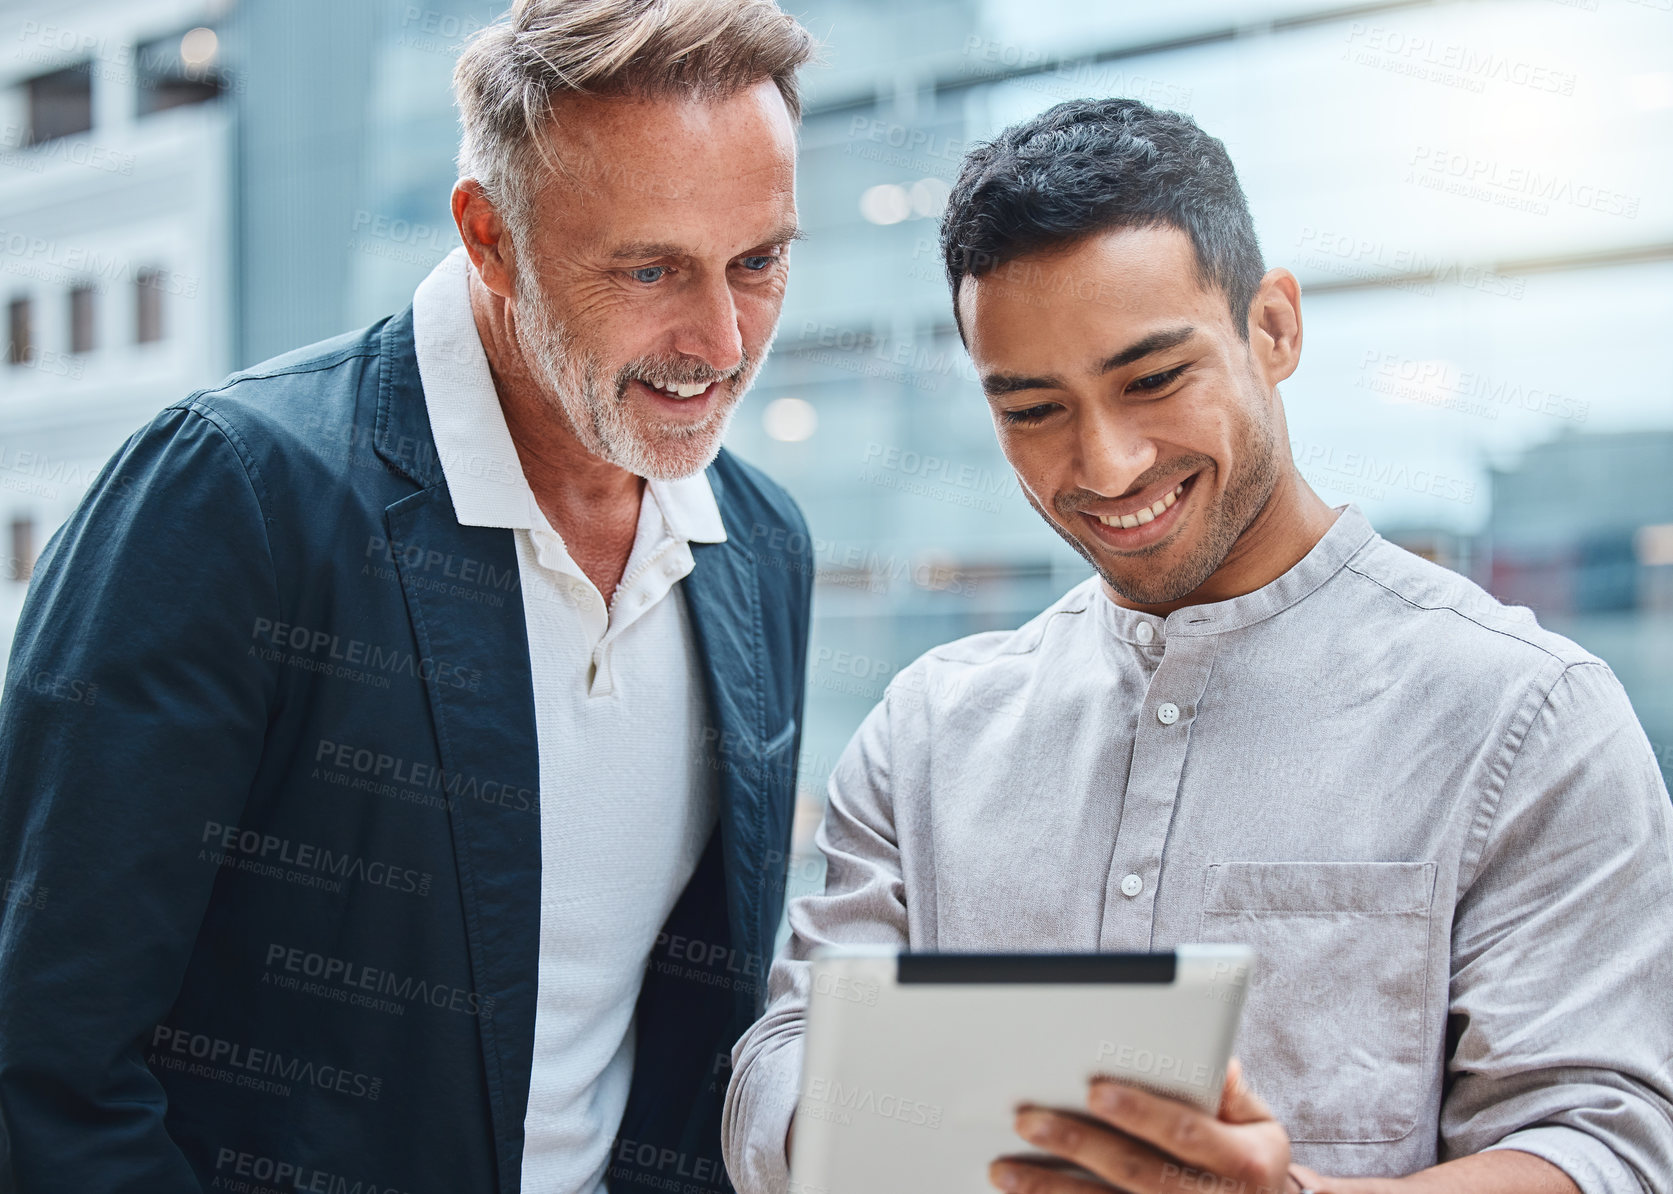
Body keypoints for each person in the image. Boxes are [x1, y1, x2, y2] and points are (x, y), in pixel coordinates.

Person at [723, 98, 1673, 1194]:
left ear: (1270, 329)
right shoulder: (928, 730)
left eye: (1151, 379)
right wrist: (907, 1137)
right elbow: (779, 1063)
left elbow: (1600, 1149)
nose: (1106, 463)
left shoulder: (1525, 714)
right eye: (1031, 409)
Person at [0, 2, 816, 1190]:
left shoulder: (759, 543)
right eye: (648, 268)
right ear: (489, 238)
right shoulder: (233, 494)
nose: (721, 338)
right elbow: (49, 1065)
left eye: (760, 261)